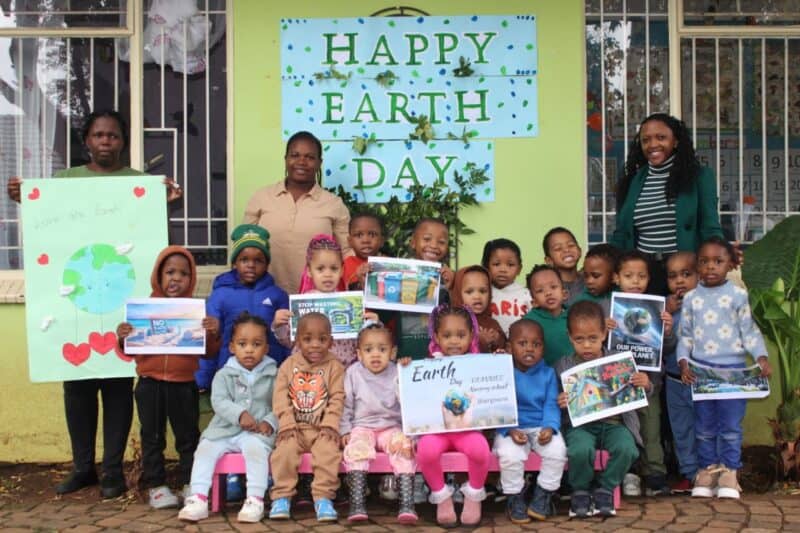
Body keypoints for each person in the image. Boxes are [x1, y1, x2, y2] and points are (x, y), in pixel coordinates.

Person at [6, 109, 180, 498]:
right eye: (99, 135)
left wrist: (168, 202)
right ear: (87, 140)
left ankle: (113, 470)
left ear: (123, 141)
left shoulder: (139, 184)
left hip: (121, 298)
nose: (106, 142)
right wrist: (24, 198)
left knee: (118, 385)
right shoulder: (66, 181)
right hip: (75, 302)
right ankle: (83, 466)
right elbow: (46, 224)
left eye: (113, 136)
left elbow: (151, 235)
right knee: (78, 388)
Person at [115, 246, 220, 509]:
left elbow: (208, 353)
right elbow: (127, 353)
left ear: (192, 279)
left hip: (184, 384)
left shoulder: (196, 313)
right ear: (158, 276)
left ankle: (190, 483)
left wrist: (212, 333)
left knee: (188, 437)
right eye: (170, 272)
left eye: (184, 274)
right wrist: (123, 337)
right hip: (149, 383)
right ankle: (156, 486)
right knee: (152, 437)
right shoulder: (144, 310)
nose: (176, 278)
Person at [678, 236, 771, 500]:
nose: (710, 267)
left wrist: (761, 356)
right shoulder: (691, 299)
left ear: (730, 264)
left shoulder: (738, 295)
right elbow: (685, 335)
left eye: (718, 261)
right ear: (697, 265)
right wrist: (683, 361)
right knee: (704, 426)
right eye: (704, 262)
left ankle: (730, 471)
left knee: (730, 425)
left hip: (734, 373)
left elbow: (749, 330)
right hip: (701, 372)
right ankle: (707, 470)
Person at [610, 113, 728, 295]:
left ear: (676, 141)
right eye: (646, 140)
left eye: (661, 137)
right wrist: (607, 262)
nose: (653, 145)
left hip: (683, 272)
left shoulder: (699, 177)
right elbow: (621, 233)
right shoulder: (631, 181)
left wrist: (722, 254)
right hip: (642, 277)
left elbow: (710, 227)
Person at [178, 313, 278, 523]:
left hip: (256, 432)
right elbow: (219, 401)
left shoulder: (273, 374)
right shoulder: (224, 374)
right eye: (243, 344)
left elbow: (280, 404)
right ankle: (198, 497)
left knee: (256, 450)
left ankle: (255, 499)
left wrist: (270, 421)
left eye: (256, 344)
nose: (249, 349)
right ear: (232, 347)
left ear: (266, 349)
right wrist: (239, 414)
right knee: (205, 449)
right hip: (224, 430)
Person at [555, 301, 651, 518]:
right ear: (570, 337)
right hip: (581, 427)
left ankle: (606, 489)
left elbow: (641, 394)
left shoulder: (618, 362)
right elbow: (556, 399)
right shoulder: (563, 366)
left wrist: (645, 383)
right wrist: (560, 400)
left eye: (593, 339)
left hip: (615, 424)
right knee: (579, 450)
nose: (587, 345)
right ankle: (580, 491)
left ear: (604, 334)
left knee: (627, 448)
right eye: (579, 339)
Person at [400, 305, 490, 527]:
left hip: (466, 429)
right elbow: (408, 396)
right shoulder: (427, 365)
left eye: (461, 335)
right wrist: (405, 370)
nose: (454, 341)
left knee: (480, 450)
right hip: (437, 430)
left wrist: (498, 363)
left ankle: (473, 495)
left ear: (471, 335)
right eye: (447, 335)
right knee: (427, 451)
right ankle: (442, 497)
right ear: (437, 337)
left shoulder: (478, 363)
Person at [242, 131, 351, 294]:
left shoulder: (333, 204)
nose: (302, 162)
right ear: (286, 159)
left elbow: (346, 253)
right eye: (295, 155)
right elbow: (244, 246)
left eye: (310, 157)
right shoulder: (262, 197)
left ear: (319, 163)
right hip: (264, 296)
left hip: (315, 299)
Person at [607, 250, 674, 497]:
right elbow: (594, 348)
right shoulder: (607, 307)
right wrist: (604, 330)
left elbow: (666, 349)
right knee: (624, 430)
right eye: (628, 275)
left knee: (651, 428)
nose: (635, 281)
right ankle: (629, 473)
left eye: (641, 276)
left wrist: (667, 330)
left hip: (648, 382)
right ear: (616, 278)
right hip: (618, 384)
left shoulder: (656, 309)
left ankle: (655, 474)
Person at [196, 224, 290, 397]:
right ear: (234, 263)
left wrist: (288, 373)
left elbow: (286, 340)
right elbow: (209, 338)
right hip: (230, 375)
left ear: (267, 264)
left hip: (268, 376)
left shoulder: (278, 295)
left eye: (258, 260)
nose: (251, 265)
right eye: (244, 259)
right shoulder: (220, 295)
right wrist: (203, 378)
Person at [269, 313, 345, 522]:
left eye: (322, 339)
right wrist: (286, 424)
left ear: (330, 341)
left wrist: (330, 424)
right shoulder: (288, 365)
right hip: (294, 428)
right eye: (308, 339)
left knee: (329, 452)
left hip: (322, 430)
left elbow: (338, 397)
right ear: (297, 340)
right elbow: (280, 397)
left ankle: (323, 498)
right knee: (284, 451)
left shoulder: (335, 367)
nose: (315, 345)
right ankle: (282, 496)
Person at [340, 321, 417, 524]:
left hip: (390, 427)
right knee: (356, 448)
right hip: (362, 426)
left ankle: (407, 503)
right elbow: (345, 405)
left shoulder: (397, 371)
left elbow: (408, 403)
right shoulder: (353, 373)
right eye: (368, 350)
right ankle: (357, 503)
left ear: (392, 352)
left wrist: (406, 372)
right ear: (359, 353)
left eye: (382, 349)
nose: (375, 354)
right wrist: (345, 430)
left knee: (403, 445)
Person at [494, 318, 566, 524]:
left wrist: (550, 427)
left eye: (536, 344)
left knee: (557, 451)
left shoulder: (548, 373)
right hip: (512, 426)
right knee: (510, 455)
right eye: (522, 343)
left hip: (540, 426)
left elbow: (551, 404)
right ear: (509, 347)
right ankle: (514, 498)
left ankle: (542, 496)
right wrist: (509, 428)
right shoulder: (503, 372)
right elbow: (496, 404)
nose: (530, 349)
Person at [273, 234, 378, 368]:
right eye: (320, 268)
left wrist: (372, 325)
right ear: (309, 271)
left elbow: (362, 341)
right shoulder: (302, 305)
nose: (327, 274)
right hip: (309, 374)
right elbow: (289, 341)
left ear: (342, 271)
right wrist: (279, 325)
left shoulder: (351, 303)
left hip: (342, 371)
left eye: (334, 268)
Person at [663, 251, 700, 493]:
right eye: (673, 276)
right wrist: (666, 323)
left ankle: (709, 472)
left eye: (686, 274)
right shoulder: (665, 311)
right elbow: (662, 347)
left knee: (705, 428)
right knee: (681, 430)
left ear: (699, 276)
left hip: (701, 382)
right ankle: (689, 473)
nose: (679, 281)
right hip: (674, 382)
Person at [523, 265, 572, 366]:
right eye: (540, 291)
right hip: (544, 378)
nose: (548, 293)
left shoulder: (575, 317)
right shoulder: (528, 323)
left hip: (574, 376)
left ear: (564, 294)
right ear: (534, 302)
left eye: (553, 287)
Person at [451, 265, 506, 353]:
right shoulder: (451, 322)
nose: (477, 296)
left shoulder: (491, 323)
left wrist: (496, 339)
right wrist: (477, 340)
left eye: (483, 291)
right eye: (469, 292)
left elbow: (503, 348)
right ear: (458, 294)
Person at [482, 238, 531, 336]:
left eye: (510, 265)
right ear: (487, 266)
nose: (503, 270)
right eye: (496, 264)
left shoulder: (526, 294)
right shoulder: (483, 292)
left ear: (519, 269)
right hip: (489, 346)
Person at [573, 243, 619, 316]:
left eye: (596, 276)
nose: (589, 281)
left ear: (614, 277)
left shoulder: (624, 295)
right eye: (586, 276)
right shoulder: (582, 302)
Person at [343, 212, 385, 290]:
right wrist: (359, 277)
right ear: (350, 241)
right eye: (359, 235)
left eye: (372, 234)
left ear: (381, 241)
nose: (365, 240)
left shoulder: (387, 264)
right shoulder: (346, 265)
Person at [543, 227, 584, 305]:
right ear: (549, 260)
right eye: (558, 248)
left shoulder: (590, 282)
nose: (566, 250)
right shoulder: (546, 289)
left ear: (579, 251)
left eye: (571, 245)